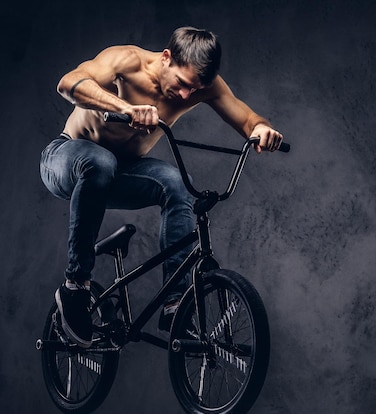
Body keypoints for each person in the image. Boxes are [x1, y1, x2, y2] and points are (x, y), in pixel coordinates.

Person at [40, 26, 284, 347]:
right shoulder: (127, 61)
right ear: (166, 58)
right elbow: (69, 83)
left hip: (122, 172)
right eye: (182, 84)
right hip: (66, 157)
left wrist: (262, 129)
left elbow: (245, 117)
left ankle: (176, 301)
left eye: (194, 89)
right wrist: (124, 108)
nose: (185, 96)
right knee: (100, 162)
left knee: (179, 184)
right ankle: (76, 284)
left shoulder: (202, 87)